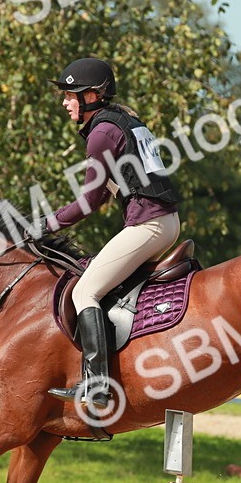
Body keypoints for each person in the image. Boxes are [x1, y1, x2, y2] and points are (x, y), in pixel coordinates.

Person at [43, 57, 181, 411]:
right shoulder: (124, 123)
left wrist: (44, 225)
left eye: (71, 95)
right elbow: (103, 193)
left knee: (86, 290)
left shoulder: (102, 133)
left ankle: (98, 386)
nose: (65, 102)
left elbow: (89, 202)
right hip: (162, 220)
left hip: (149, 224)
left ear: (92, 96)